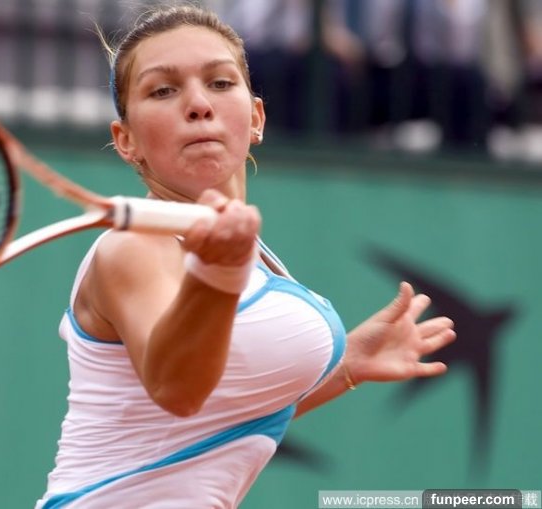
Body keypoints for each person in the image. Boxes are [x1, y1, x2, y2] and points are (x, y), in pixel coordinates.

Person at [34, 5, 456, 508]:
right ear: (126, 141)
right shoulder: (133, 247)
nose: (198, 104)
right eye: (163, 91)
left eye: (219, 83)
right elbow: (178, 389)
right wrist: (218, 273)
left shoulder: (254, 257)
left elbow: (216, 421)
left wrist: (349, 365)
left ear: (256, 118)